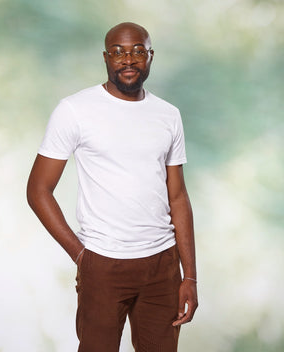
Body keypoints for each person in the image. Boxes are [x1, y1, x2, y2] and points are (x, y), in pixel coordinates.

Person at [27, 22, 198, 352]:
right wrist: (81, 255)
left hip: (163, 265)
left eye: (137, 51)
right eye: (118, 52)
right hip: (104, 264)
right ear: (106, 57)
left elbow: (177, 195)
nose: (128, 60)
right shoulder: (75, 110)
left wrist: (189, 275)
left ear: (150, 56)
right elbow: (38, 190)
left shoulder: (168, 115)